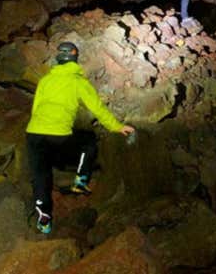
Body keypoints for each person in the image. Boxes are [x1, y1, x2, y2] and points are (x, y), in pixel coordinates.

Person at [26, 41, 135, 234]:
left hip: (34, 133)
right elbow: (97, 109)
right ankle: (80, 181)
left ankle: (44, 218)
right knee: (88, 142)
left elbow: (36, 109)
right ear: (75, 58)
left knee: (40, 175)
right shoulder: (78, 82)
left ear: (58, 59)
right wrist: (117, 127)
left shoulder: (45, 80)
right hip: (58, 135)